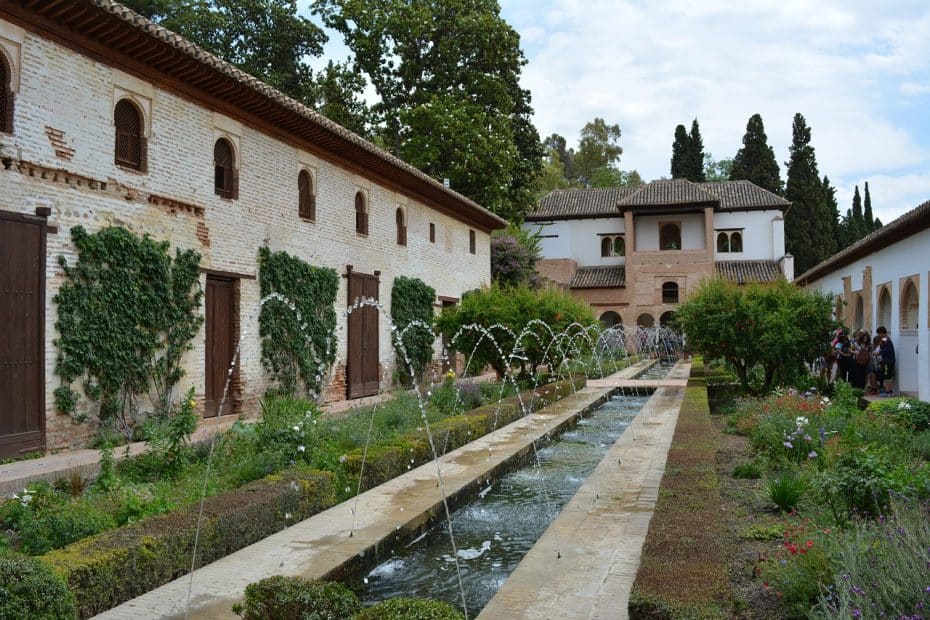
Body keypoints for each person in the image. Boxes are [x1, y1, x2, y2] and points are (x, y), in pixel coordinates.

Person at [876, 326, 895, 396]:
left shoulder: (886, 339)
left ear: (882, 333)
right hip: (888, 360)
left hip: (888, 361)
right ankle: (890, 391)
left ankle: (887, 391)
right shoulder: (885, 339)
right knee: (888, 376)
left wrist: (879, 352)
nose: (878, 335)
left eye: (879, 334)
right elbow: (882, 347)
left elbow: (887, 350)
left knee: (887, 376)